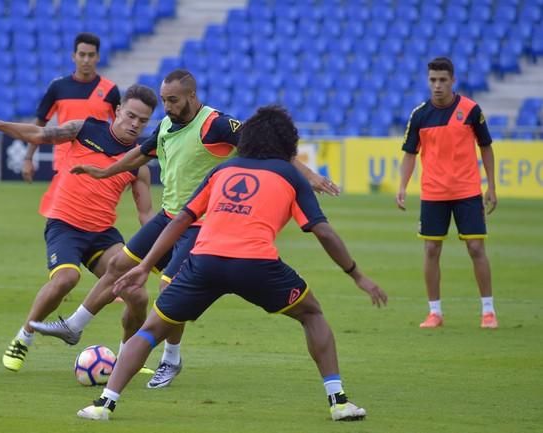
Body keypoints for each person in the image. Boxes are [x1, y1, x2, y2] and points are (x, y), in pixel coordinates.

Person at [30, 69, 341, 388]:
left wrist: (310, 176)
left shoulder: (216, 123)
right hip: (170, 217)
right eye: (164, 99)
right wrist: (103, 171)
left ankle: (171, 359)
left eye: (173, 100)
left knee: (169, 289)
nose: (167, 106)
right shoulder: (166, 125)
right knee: (119, 266)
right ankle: (75, 326)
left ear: (192, 96)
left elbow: (270, 144)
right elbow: (138, 154)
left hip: (202, 223)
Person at [75, 105, 387, 423]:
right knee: (311, 313)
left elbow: (181, 219)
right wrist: (356, 275)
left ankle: (104, 404)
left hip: (204, 263)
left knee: (152, 329)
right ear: (287, 142)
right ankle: (338, 401)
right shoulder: (290, 174)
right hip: (257, 266)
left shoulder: (222, 171)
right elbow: (322, 230)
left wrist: (145, 266)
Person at [0, 84, 159, 371]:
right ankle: (24, 337)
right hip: (65, 225)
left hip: (102, 234)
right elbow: (41, 135)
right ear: (117, 111)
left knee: (137, 295)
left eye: (142, 121)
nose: (135, 124)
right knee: (66, 278)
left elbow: (146, 214)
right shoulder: (84, 129)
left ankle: (128, 357)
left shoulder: (139, 161)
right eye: (131, 116)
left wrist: (163, 249)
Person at [396, 57, 498, 329]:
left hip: (467, 190)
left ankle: (488, 311)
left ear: (453, 80)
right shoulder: (419, 115)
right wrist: (402, 187)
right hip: (433, 193)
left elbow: (486, 147)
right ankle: (435, 313)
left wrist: (492, 185)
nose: (437, 85)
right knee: (431, 249)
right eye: (432, 80)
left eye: (442, 80)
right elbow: (409, 154)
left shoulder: (471, 110)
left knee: (476, 247)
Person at [22, 32, 120, 182]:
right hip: (64, 163)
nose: (86, 60)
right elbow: (40, 123)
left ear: (98, 57)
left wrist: (124, 165)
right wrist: (28, 157)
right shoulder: (58, 87)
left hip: (97, 165)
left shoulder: (110, 90)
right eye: (82, 54)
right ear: (73, 56)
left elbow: (120, 128)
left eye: (91, 55)